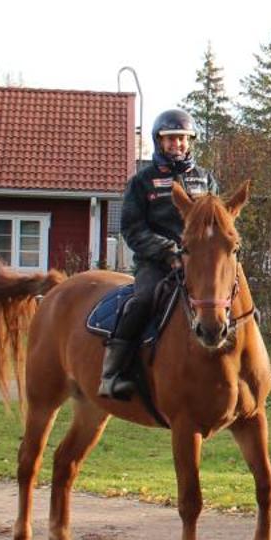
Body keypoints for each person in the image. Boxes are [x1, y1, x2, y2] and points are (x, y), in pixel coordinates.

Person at [100, 109, 214, 400]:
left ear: (191, 142)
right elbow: (132, 227)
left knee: (233, 298)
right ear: (159, 142)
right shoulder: (142, 182)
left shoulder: (206, 180)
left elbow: (219, 222)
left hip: (199, 264)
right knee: (142, 301)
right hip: (156, 264)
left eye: (183, 139)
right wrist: (167, 251)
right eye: (171, 139)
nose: (177, 144)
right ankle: (113, 373)